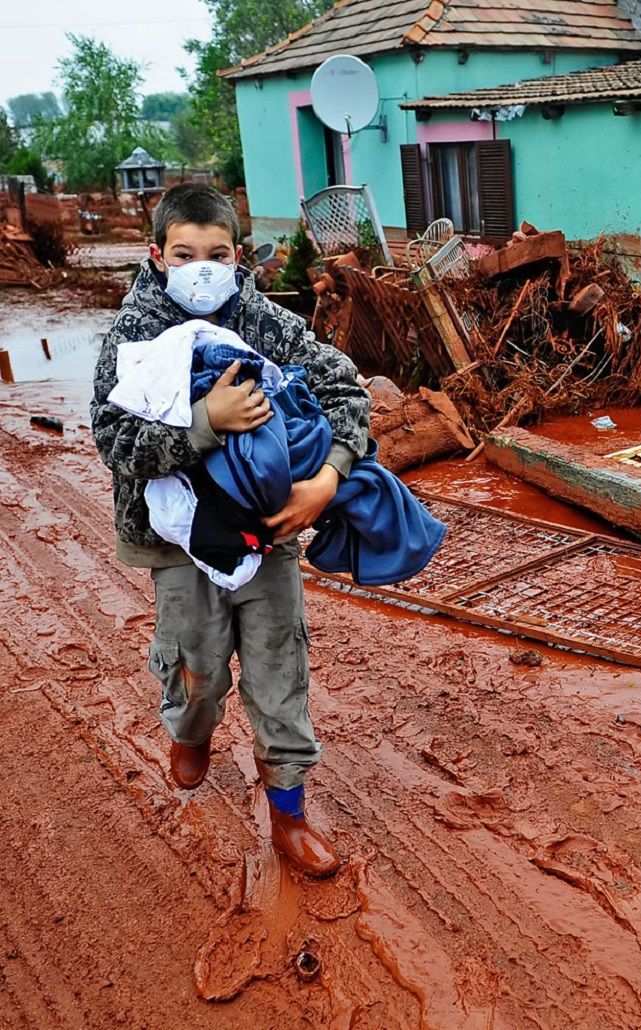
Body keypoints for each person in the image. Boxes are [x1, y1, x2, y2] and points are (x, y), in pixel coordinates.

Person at [91, 184, 371, 877]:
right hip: (178, 545)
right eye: (185, 254)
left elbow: (347, 392)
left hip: (268, 535)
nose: (202, 267)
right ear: (158, 256)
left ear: (238, 255)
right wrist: (205, 423)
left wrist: (329, 476)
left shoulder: (267, 322)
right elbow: (112, 438)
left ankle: (289, 816)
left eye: (217, 254)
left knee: (280, 670)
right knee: (198, 670)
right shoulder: (133, 334)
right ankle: (191, 734)